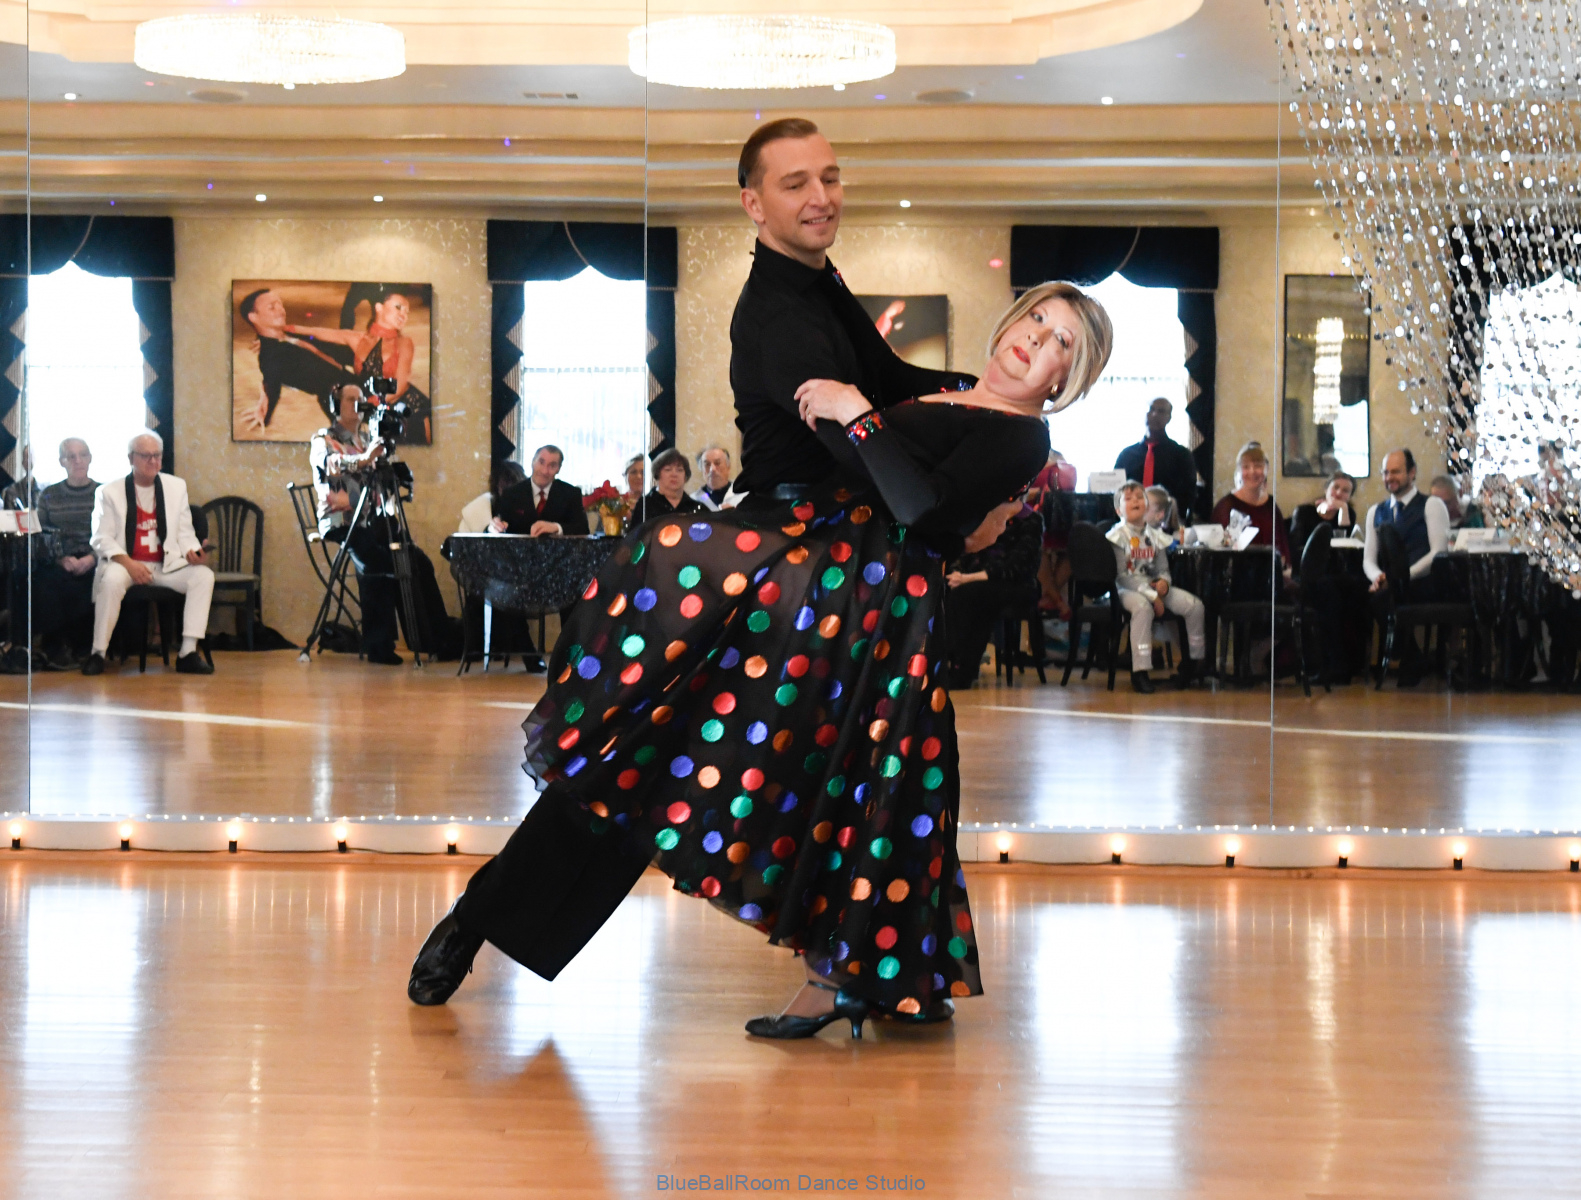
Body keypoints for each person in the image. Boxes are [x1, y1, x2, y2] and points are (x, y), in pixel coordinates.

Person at [408, 119, 1114, 1038]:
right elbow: (886, 454)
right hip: (789, 580)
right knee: (657, 765)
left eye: (829, 177)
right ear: (753, 203)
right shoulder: (777, 313)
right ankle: (484, 917)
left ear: (1069, 375)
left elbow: (895, 403)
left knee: (832, 784)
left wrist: (927, 441)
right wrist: (910, 452)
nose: (820, 197)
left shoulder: (825, 291)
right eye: (794, 184)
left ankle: (870, 975)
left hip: (841, 601)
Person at [312, 384, 454, 665]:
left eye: (361, 399)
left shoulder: (369, 437)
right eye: (351, 399)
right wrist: (365, 459)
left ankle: (436, 640)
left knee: (416, 561)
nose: (358, 404)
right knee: (377, 563)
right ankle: (379, 645)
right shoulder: (324, 438)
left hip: (373, 518)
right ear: (336, 405)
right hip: (342, 520)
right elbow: (333, 463)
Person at [83, 431, 214, 676]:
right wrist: (130, 565)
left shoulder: (176, 487)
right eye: (146, 456)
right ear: (131, 458)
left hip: (165, 565)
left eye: (157, 456)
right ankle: (98, 653)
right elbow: (101, 538)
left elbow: (185, 532)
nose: (153, 461)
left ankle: (187, 652)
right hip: (126, 563)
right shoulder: (108, 492)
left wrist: (193, 551)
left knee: (203, 576)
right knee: (111, 580)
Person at [282, 285, 434, 444]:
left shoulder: (404, 343)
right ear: (379, 307)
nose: (403, 315)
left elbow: (400, 386)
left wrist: (368, 403)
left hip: (409, 407)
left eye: (406, 312)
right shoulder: (357, 339)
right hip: (376, 408)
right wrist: (283, 329)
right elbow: (316, 332)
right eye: (398, 307)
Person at [1363, 448, 1451, 686]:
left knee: (1383, 599)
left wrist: (1401, 578)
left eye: (1396, 472)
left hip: (1424, 582)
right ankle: (1413, 657)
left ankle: (1409, 657)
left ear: (1412, 473)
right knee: (1369, 596)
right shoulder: (1375, 512)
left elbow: (1438, 552)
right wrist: (1378, 577)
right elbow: (1368, 559)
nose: (1389, 477)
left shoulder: (1431, 505)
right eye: (1385, 472)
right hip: (1391, 583)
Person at [1108, 481, 1206, 692]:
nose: (1135, 501)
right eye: (1128, 499)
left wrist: (1164, 584)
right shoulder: (1117, 536)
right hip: (1127, 589)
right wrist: (1152, 597)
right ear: (1118, 510)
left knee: (1194, 605)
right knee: (1143, 608)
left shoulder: (1155, 536)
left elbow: (1163, 569)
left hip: (1152, 588)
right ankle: (1140, 671)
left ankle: (1194, 663)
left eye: (1139, 497)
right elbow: (1122, 576)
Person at [943, 494, 1043, 688]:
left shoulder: (1031, 520)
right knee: (949, 589)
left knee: (972, 595)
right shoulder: (988, 515)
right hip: (979, 582)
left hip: (1017, 585)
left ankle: (962, 667)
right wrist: (957, 573)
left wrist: (967, 578)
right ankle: (948, 660)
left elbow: (1017, 566)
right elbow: (968, 551)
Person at [238, 287, 358, 432]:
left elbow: (325, 346)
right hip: (342, 399)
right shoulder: (270, 356)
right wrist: (265, 414)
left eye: (280, 304)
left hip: (355, 379)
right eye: (272, 307)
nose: (281, 310)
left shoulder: (290, 334)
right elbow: (272, 387)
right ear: (254, 317)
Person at [31, 438, 99, 669]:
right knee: (44, 579)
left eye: (83, 455)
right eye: (71, 456)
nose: (78, 461)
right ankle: (55, 649)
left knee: (93, 581)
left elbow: (114, 534)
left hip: (94, 557)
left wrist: (91, 558)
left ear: (90, 458)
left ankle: (84, 648)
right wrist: (60, 559)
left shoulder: (103, 493)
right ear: (62, 461)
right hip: (60, 559)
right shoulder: (49, 494)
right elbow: (40, 534)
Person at [1114, 397, 1198, 520]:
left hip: (1166, 521)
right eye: (1151, 409)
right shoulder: (1126, 455)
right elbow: (1116, 491)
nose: (1154, 414)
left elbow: (1188, 496)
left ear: (1169, 418)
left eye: (1161, 411)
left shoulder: (1181, 455)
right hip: (1130, 521)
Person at [1211, 442, 1293, 565]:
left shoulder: (1271, 505)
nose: (1252, 471)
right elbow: (1219, 553)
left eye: (1258, 466)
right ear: (1239, 471)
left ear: (1266, 469)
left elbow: (1282, 549)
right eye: (1246, 467)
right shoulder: (1226, 506)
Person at [495, 445, 586, 536]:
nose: (544, 471)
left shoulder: (571, 494)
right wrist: (494, 527)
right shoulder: (511, 494)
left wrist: (556, 527)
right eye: (541, 462)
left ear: (558, 469)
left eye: (552, 465)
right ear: (533, 462)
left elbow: (583, 529)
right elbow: (498, 526)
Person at [1290, 470, 1359, 552]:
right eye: (1336, 487)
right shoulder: (1303, 511)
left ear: (1350, 496)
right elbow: (1294, 546)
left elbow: (1344, 548)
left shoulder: (1349, 513)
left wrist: (1343, 508)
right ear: (1326, 489)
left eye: (1345, 491)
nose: (1339, 493)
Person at [635, 448, 706, 523]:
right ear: (658, 474)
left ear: (685, 476)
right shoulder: (645, 505)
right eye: (668, 469)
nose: (674, 474)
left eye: (679, 470)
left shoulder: (696, 507)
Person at [458, 460, 527, 534]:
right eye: (505, 488)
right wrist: (488, 533)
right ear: (497, 487)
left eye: (514, 488)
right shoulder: (474, 513)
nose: (510, 494)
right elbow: (464, 540)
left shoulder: (528, 510)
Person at [690, 444, 736, 510]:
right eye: (707, 464)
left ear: (728, 467)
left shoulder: (743, 495)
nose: (712, 469)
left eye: (717, 463)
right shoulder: (694, 500)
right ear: (701, 469)